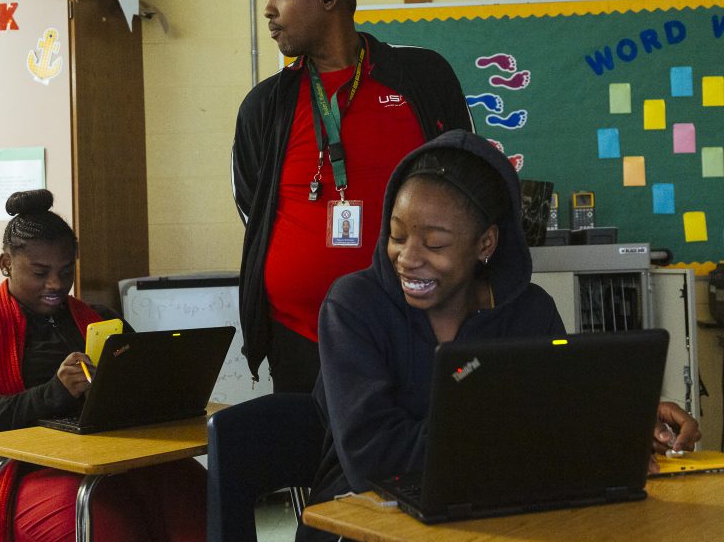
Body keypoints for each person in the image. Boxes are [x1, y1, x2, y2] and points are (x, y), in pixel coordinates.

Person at [297, 129, 701, 541]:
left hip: (496, 510)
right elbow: (372, 456)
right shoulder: (353, 306)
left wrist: (621, 425)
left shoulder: (530, 310)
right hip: (362, 516)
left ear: (485, 243)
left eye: (435, 244)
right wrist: (520, 443)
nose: (408, 257)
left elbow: (558, 412)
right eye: (397, 236)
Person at [232, 0, 474, 393]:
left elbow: (469, 185)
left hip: (413, 327)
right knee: (310, 461)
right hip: (299, 338)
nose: (268, 8)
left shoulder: (422, 77)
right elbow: (255, 207)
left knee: (407, 456)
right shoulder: (265, 106)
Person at [0, 190, 206, 542]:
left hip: (114, 463)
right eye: (40, 272)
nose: (56, 285)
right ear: (6, 264)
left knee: (195, 490)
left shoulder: (102, 321)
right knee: (106, 518)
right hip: (23, 477)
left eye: (66, 270)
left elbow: (143, 397)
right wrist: (53, 394)